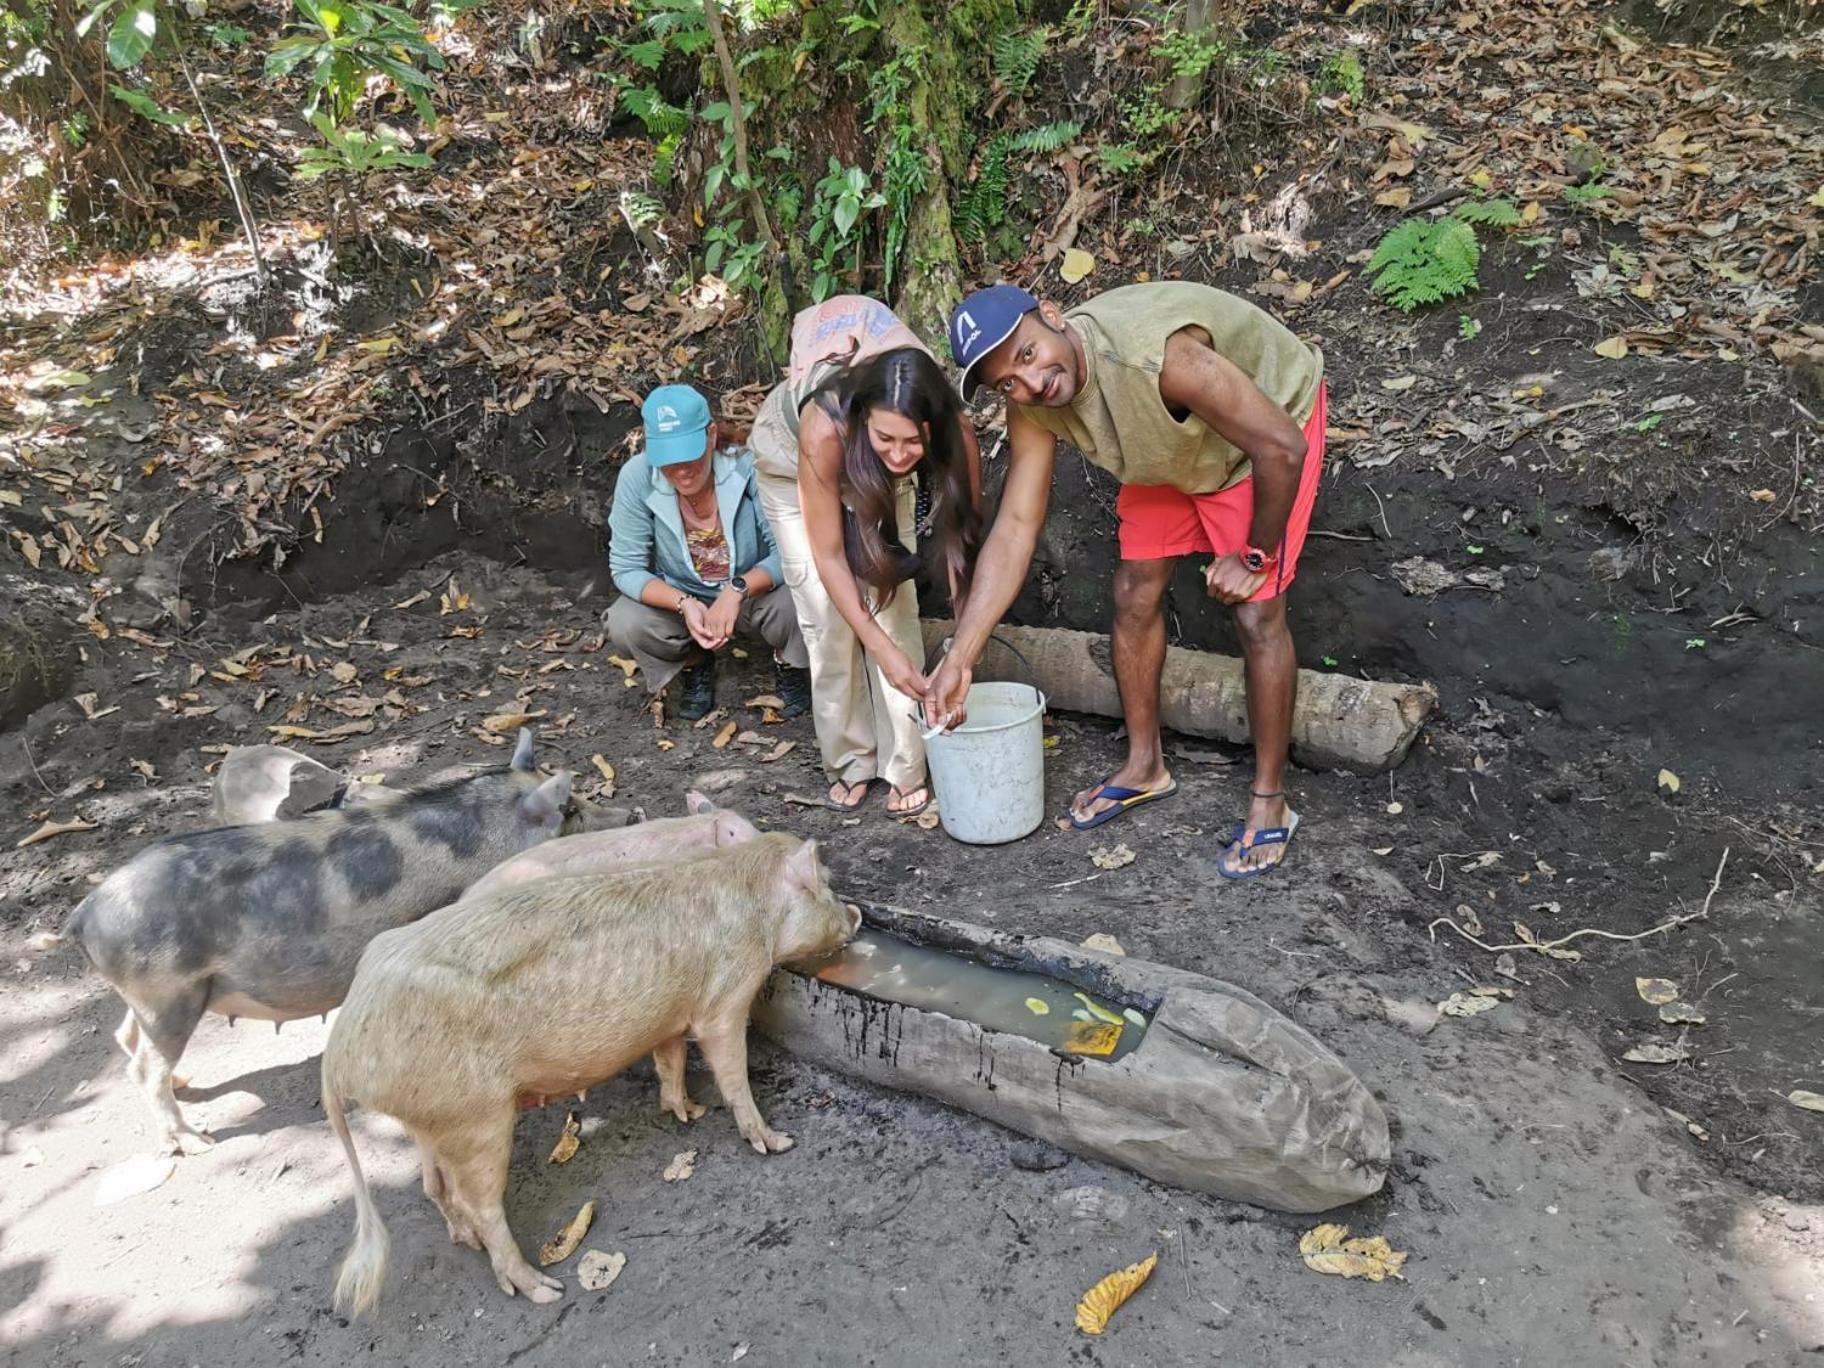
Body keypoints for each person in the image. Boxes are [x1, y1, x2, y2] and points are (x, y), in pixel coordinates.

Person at [933, 282, 1327, 879]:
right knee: (1133, 591)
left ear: (1051, 314)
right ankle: (1145, 766)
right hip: (1165, 443)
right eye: (1007, 381)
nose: (1030, 382)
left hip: (1260, 439)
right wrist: (962, 654)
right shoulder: (1033, 405)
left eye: (1028, 354)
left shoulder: (1157, 357)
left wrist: (1253, 556)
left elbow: (1281, 446)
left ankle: (1271, 797)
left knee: (1256, 612)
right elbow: (1015, 525)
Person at [748, 296, 983, 816]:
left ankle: (905, 765)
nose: (900, 455)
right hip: (792, 462)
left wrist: (965, 650)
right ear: (865, 418)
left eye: (913, 443)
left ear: (932, 428)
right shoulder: (825, 424)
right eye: (887, 438)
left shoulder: (951, 428)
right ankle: (850, 761)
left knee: (892, 604)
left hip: (868, 466)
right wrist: (877, 650)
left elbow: (960, 539)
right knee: (825, 616)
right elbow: (830, 556)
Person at [607, 383, 811, 722]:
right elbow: (626, 568)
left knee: (802, 597)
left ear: (712, 435)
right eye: (669, 460)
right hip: (685, 593)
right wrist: (684, 604)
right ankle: (693, 661)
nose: (681, 470)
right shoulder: (637, 477)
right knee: (626, 621)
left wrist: (737, 589)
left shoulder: (750, 468)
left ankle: (787, 662)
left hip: (753, 593)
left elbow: (790, 551)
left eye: (690, 454)